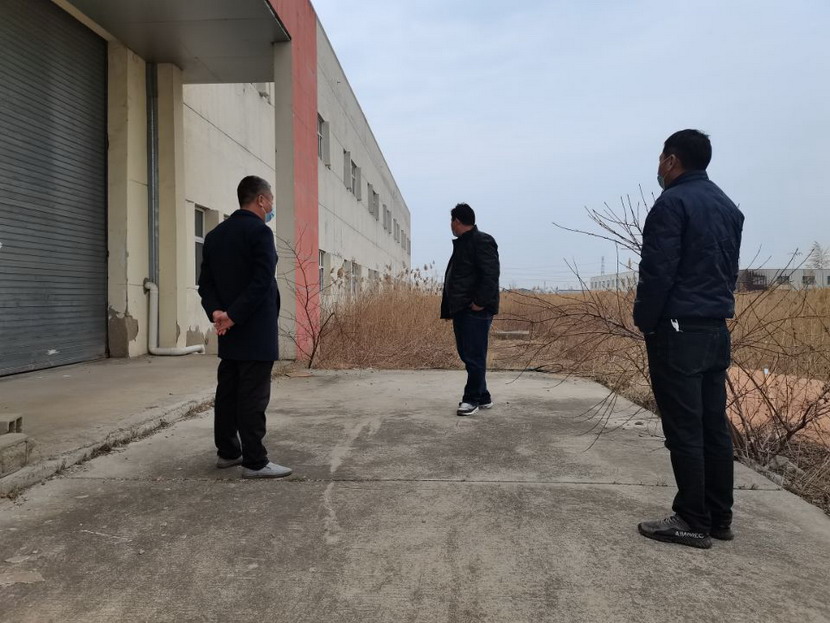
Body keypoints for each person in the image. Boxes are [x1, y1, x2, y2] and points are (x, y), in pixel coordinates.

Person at [634, 130, 744, 548]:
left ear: (672, 160)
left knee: (684, 428)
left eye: (661, 158)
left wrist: (646, 321)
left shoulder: (672, 203)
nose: (659, 167)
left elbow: (657, 272)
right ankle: (718, 516)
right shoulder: (728, 207)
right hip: (715, 328)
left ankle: (691, 519)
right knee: (713, 425)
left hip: (677, 330)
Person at [198, 175, 292, 478]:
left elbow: (205, 284)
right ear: (261, 200)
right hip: (254, 329)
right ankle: (255, 461)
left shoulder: (215, 235)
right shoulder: (260, 232)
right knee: (253, 395)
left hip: (228, 329)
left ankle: (228, 452)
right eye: (271, 200)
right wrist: (234, 315)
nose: (271, 206)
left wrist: (218, 312)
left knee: (228, 391)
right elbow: (261, 280)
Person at [440, 203, 500, 416]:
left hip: (475, 310)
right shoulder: (465, 243)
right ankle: (483, 396)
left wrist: (480, 302)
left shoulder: (481, 241)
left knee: (474, 355)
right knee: (468, 354)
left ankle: (471, 399)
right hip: (463, 309)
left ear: (456, 221)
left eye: (451, 222)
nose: (451, 226)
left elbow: (491, 275)